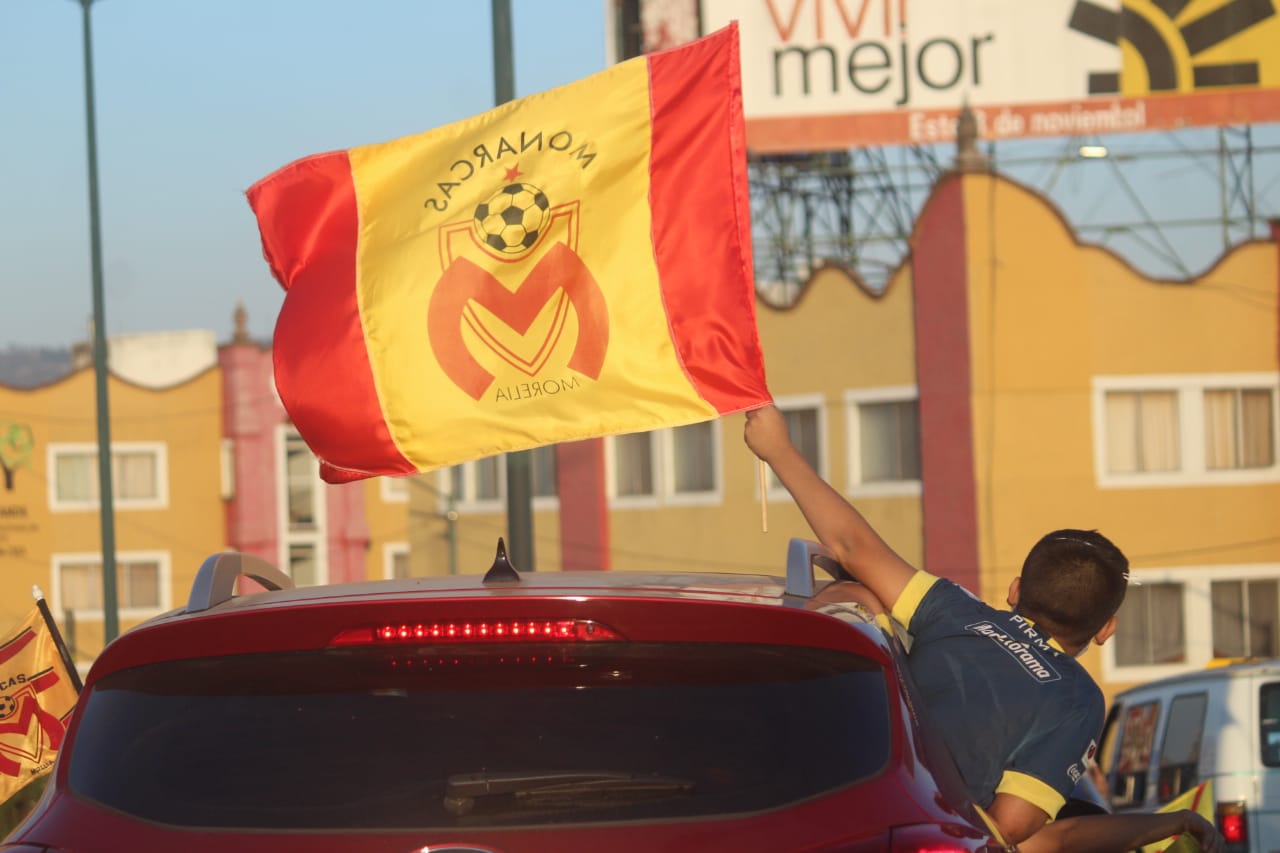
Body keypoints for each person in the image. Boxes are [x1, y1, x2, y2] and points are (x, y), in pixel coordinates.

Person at [744, 404, 1223, 853]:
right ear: (1106, 630)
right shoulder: (1077, 700)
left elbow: (852, 547)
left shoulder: (955, 609)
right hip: (896, 833)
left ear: (1015, 590)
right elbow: (1009, 833)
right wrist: (1176, 822)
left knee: (862, 593)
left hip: (799, 805)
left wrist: (778, 449)